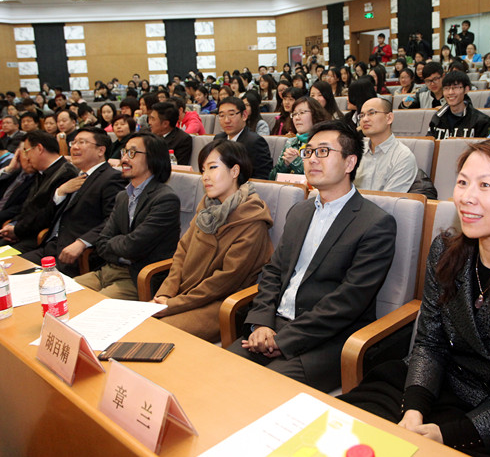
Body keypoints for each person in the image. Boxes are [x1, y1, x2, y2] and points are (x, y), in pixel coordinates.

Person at [340, 137, 490, 455]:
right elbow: (430, 343)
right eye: (462, 182)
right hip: (427, 385)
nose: (466, 197)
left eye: (485, 185)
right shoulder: (446, 253)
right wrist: (413, 410)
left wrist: (447, 434)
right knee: (344, 434)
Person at [228, 119, 397, 391]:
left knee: (261, 390)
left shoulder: (375, 223)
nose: (312, 159)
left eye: (323, 151)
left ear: (350, 163)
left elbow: (348, 301)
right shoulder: (300, 211)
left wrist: (284, 340)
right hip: (274, 325)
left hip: (328, 340)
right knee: (221, 371)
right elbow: (273, 271)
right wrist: (261, 323)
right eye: (308, 152)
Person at [154, 141, 274, 340]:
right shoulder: (207, 210)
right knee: (139, 325)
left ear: (234, 171)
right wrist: (166, 293)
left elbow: (226, 280)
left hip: (222, 304)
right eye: (203, 170)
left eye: (212, 167)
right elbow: (182, 252)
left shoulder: (252, 219)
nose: (205, 177)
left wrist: (173, 305)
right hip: (186, 295)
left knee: (157, 333)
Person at [75, 132, 180, 299]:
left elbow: (133, 247)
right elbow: (101, 242)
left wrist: (116, 243)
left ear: (153, 158)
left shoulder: (165, 199)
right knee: (63, 292)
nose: (124, 159)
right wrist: (121, 247)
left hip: (138, 277)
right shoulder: (123, 196)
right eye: (124, 152)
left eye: (132, 153)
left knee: (91, 305)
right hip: (108, 270)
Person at [21, 128, 125, 277]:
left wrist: (82, 242)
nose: (74, 147)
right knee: (10, 270)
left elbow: (113, 220)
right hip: (51, 247)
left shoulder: (111, 178)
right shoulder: (76, 177)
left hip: (77, 255)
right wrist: (59, 193)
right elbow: (48, 216)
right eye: (73, 142)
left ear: (101, 150)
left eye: (82, 142)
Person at [0, 131, 79, 251]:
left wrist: (17, 230)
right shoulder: (40, 171)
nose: (26, 157)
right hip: (24, 232)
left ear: (39, 148)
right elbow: (28, 207)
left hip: (38, 239)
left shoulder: (65, 173)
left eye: (26, 151)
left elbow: (47, 216)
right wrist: (13, 225)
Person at [355, 98, 418, 193]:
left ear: (389, 118)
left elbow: (388, 199)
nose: (365, 119)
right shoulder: (355, 149)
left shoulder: (403, 157)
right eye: (362, 115)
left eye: (371, 113)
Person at [270, 97, 331, 180]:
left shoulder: (326, 142)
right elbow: (272, 178)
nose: (297, 118)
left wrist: (295, 162)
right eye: (294, 114)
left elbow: (322, 177)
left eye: (302, 113)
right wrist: (285, 164)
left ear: (315, 114)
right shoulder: (291, 142)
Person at [214, 97, 273, 180]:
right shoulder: (218, 139)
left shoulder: (255, 142)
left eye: (231, 114)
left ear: (244, 115)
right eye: (222, 115)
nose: (226, 120)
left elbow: (262, 177)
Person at [427, 70, 490, 139]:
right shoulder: (438, 117)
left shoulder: (482, 121)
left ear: (466, 89)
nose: (450, 92)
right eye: (446, 88)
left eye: (455, 87)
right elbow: (429, 142)